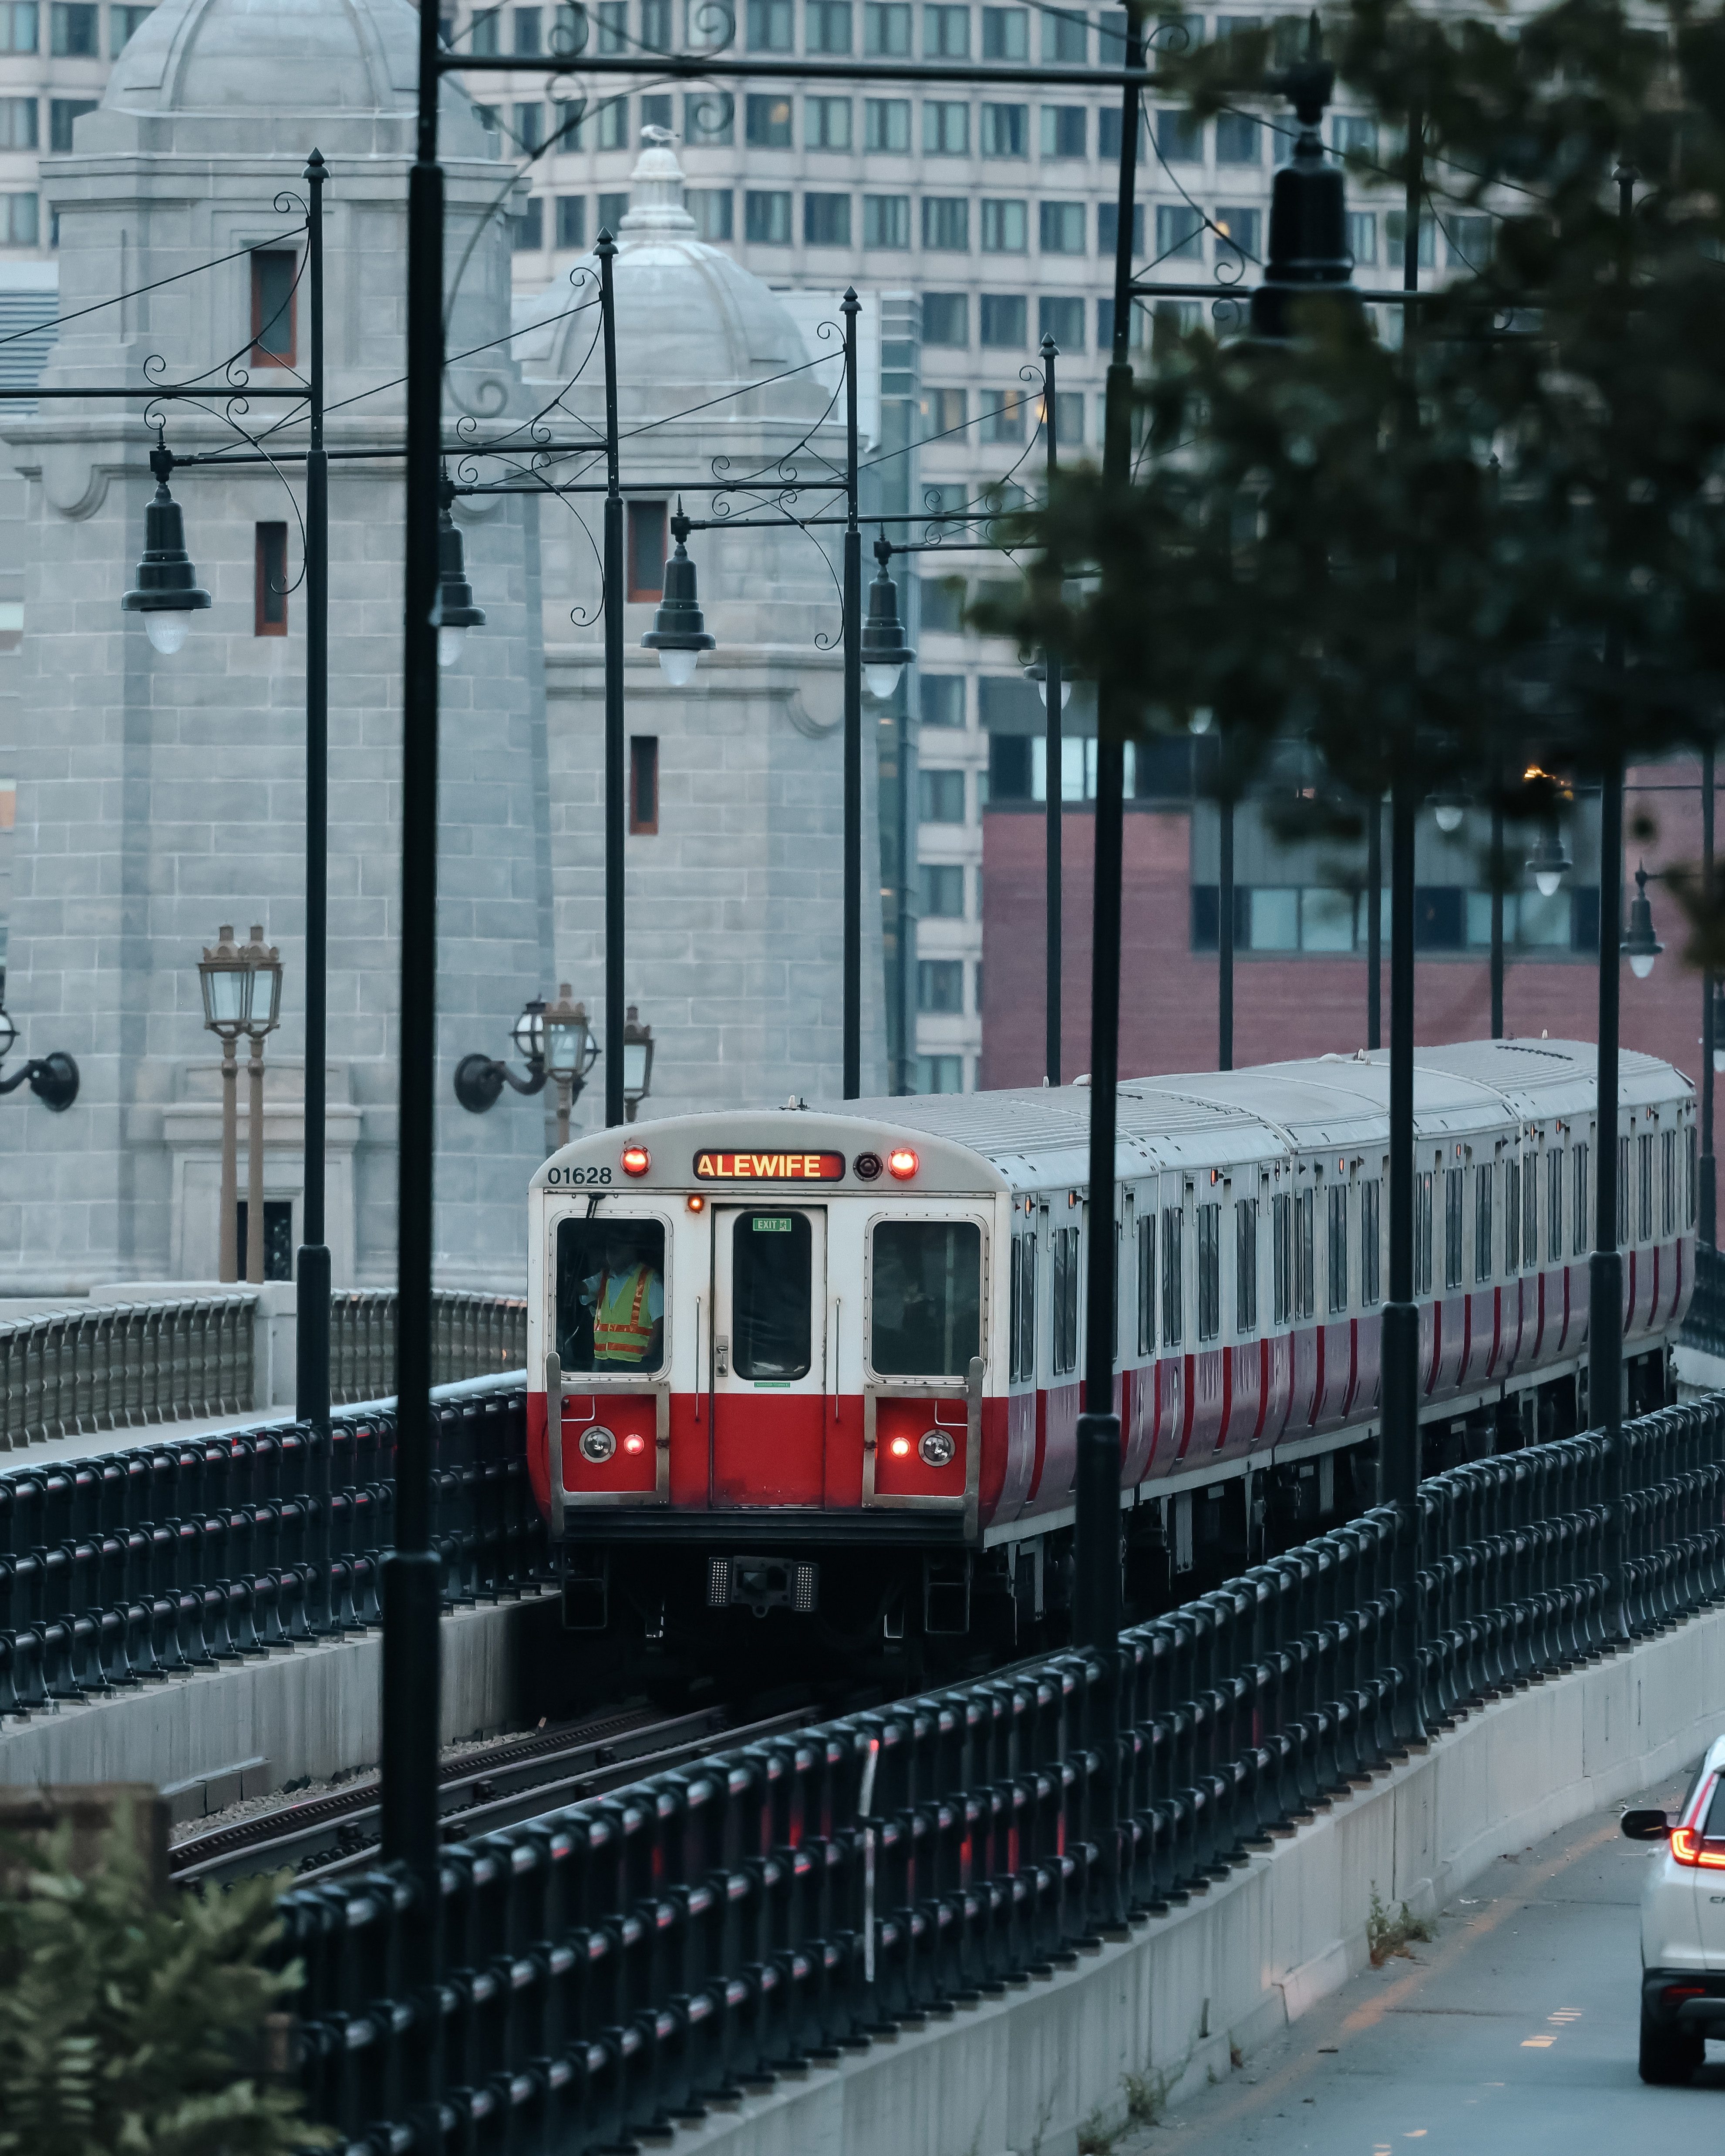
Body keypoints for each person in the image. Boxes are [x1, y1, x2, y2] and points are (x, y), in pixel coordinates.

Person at [583, 1228, 664, 1372]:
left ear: (631, 1249)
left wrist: (647, 1364)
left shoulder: (650, 1279)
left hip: (635, 1367)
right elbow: (581, 1288)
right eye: (609, 1248)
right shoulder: (603, 1278)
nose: (611, 1253)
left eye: (617, 1247)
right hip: (602, 1364)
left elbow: (659, 1325)